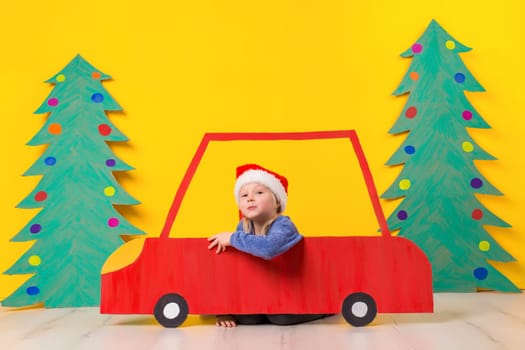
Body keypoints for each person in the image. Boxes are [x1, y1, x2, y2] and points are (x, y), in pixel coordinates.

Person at [207, 163, 329, 327]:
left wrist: (233, 238)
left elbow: (269, 247)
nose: (250, 198)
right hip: (260, 292)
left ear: (276, 202)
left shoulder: (283, 225)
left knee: (281, 316)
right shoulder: (243, 228)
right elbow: (234, 271)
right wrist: (224, 311)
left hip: (288, 287)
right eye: (244, 195)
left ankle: (325, 309)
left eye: (258, 192)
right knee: (246, 318)